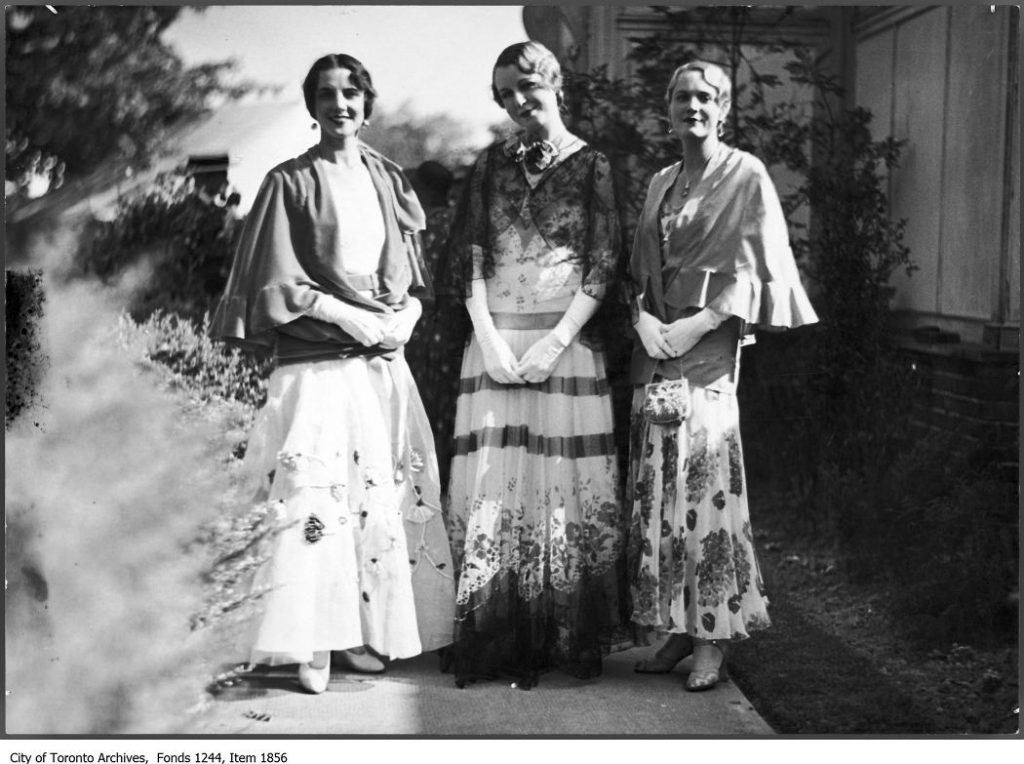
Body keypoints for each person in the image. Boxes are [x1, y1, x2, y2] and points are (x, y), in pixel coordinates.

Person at [210, 53, 454, 694]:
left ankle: (357, 636)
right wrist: (348, 316)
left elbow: (414, 276)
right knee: (317, 501)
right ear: (312, 104)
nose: (340, 103)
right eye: (326, 93)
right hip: (316, 368)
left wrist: (407, 318)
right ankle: (310, 642)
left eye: (351, 93)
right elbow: (276, 282)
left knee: (369, 501)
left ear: (367, 102)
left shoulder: (388, 177)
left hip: (378, 369)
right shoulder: (288, 182)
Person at [627, 61, 818, 691]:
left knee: (706, 498)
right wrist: (645, 324)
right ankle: (680, 628)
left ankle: (714, 636)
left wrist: (698, 324)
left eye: (706, 96)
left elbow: (760, 272)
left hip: (708, 360)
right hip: (658, 358)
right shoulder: (661, 181)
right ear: (668, 105)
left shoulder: (746, 174)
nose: (693, 106)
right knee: (664, 501)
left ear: (724, 106)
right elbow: (640, 274)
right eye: (682, 95)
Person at [442, 41, 625, 689]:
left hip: (564, 350)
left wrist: (555, 342)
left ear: (554, 83)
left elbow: (603, 261)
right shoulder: (490, 165)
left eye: (526, 86)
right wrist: (488, 340)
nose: (518, 101)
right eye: (505, 94)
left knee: (560, 493)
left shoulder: (593, 166)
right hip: (494, 344)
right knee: (494, 485)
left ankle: (562, 634)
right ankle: (496, 636)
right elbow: (467, 255)